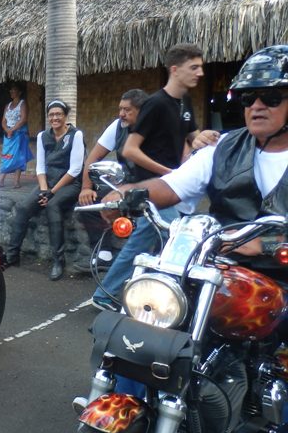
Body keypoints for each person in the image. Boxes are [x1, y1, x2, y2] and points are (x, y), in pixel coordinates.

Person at [101, 44, 288, 275]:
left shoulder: (183, 106)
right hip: (224, 272)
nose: (257, 106)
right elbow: (171, 186)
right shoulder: (221, 147)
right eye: (248, 97)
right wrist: (126, 193)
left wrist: (264, 244)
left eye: (271, 98)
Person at [87, 43, 219, 310]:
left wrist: (204, 138)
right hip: (153, 190)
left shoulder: (184, 102)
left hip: (173, 190)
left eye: (201, 67)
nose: (200, 73)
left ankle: (128, 294)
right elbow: (130, 149)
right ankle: (111, 296)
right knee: (169, 242)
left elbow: (191, 136)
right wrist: (169, 173)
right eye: (194, 67)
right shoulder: (155, 104)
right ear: (175, 69)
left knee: (152, 245)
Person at [5, 99, 84, 280]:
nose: (55, 118)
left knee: (52, 206)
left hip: (69, 183)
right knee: (24, 207)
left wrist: (52, 192)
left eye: (58, 114)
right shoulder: (43, 136)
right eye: (51, 114)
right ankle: (12, 254)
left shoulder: (75, 135)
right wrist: (43, 190)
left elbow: (75, 170)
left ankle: (58, 261)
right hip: (47, 183)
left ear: (65, 116)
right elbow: (40, 167)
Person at [74, 89, 148, 272]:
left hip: (154, 185)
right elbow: (92, 159)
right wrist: (86, 187)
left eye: (127, 110)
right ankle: (104, 254)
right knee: (89, 204)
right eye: (120, 109)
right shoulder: (117, 127)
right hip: (125, 183)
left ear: (142, 110)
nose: (121, 113)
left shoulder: (157, 129)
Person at [0, 84, 34, 188]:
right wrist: (7, 130)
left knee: (18, 156)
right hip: (8, 134)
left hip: (19, 134)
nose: (12, 92)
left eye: (14, 90)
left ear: (19, 92)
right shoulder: (8, 105)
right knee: (6, 156)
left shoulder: (23, 104)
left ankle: (16, 181)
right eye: (11, 90)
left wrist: (12, 130)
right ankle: (1, 180)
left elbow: (23, 119)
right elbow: (3, 121)